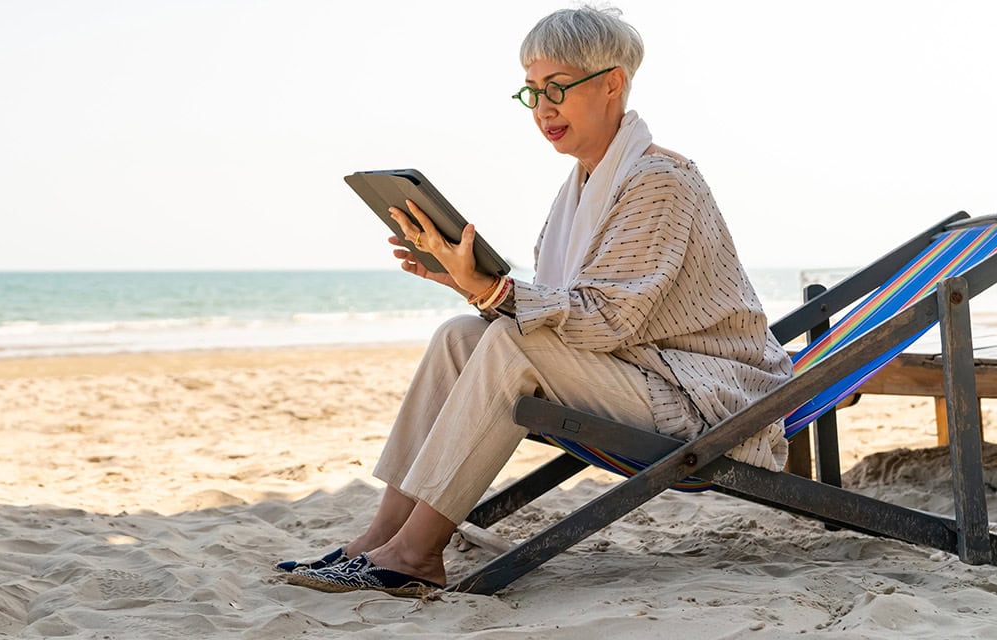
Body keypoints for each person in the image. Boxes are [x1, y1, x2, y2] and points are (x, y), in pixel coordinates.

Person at [277, 5, 794, 597]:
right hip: (636, 371)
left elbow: (606, 319)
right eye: (532, 92)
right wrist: (463, 283)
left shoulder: (659, 181)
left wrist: (492, 290)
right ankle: (379, 539)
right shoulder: (584, 183)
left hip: (698, 394)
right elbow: (563, 307)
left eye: (557, 88)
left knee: (506, 341)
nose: (543, 108)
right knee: (458, 336)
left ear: (611, 85)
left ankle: (417, 554)